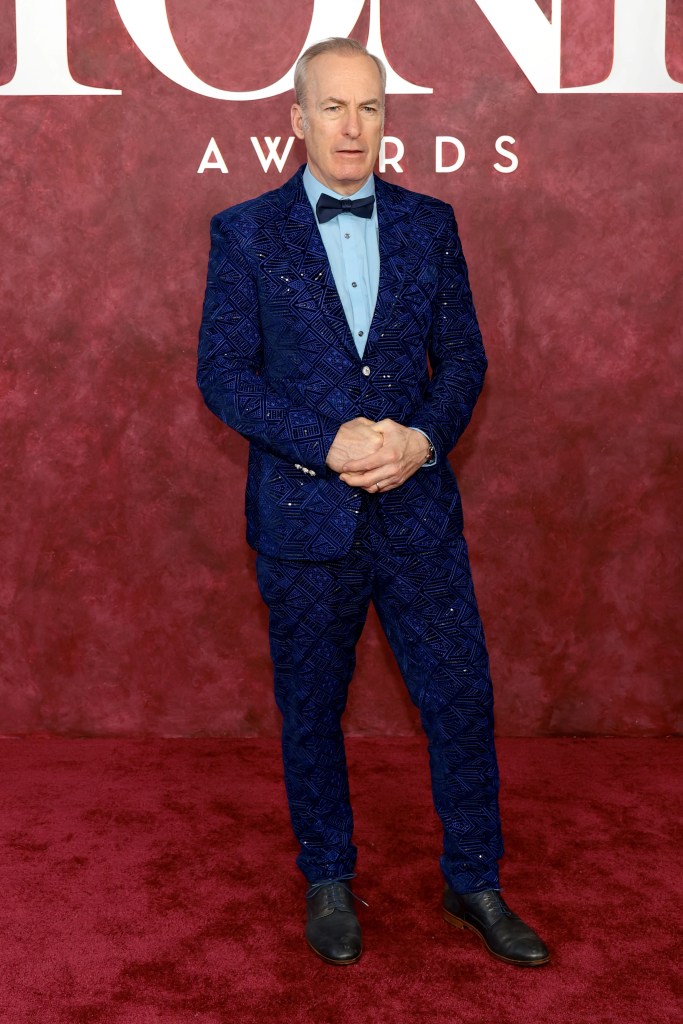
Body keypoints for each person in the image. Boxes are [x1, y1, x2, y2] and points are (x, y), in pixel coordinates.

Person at [197, 37, 549, 968]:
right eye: (333, 108)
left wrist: (420, 440)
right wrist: (327, 441)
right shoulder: (242, 232)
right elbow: (224, 374)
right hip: (302, 523)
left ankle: (473, 881)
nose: (352, 128)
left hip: (417, 516)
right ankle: (327, 879)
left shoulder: (432, 223)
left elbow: (464, 358)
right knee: (311, 708)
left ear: (386, 118)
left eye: (369, 109)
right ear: (296, 118)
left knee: (461, 699)